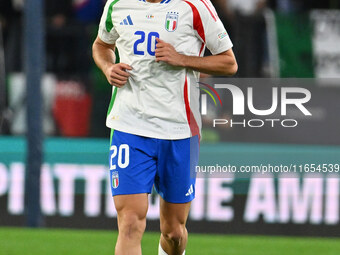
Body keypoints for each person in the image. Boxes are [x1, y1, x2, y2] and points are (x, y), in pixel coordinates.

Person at [92, 0, 237, 254]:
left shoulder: (196, 6)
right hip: (130, 126)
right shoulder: (118, 4)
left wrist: (181, 59)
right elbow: (102, 44)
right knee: (129, 223)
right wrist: (108, 67)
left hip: (179, 130)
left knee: (173, 232)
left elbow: (229, 63)